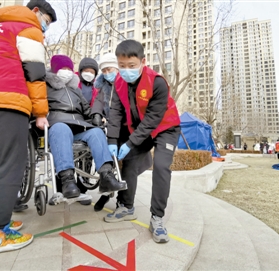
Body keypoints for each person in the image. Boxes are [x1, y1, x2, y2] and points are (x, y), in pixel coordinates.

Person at [0, 0, 56, 256]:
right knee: (13, 166)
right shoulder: (28, 28)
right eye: (47, 21)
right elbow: (35, 74)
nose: (45, 28)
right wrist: (40, 112)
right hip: (8, 98)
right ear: (36, 12)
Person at [105, 40, 181, 244]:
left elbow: (152, 120)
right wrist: (112, 139)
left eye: (132, 66)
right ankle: (127, 207)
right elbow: (116, 112)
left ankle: (157, 218)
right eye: (122, 66)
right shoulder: (118, 83)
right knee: (129, 161)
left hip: (165, 128)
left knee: (162, 167)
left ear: (143, 61)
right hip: (140, 130)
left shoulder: (157, 82)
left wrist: (130, 142)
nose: (126, 70)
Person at [45, 54, 127, 200]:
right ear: (54, 70)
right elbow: (38, 106)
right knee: (61, 128)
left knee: (96, 131)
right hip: (57, 123)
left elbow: (87, 110)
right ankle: (68, 180)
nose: (66, 71)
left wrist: (96, 117)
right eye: (63, 68)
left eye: (69, 69)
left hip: (79, 125)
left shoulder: (75, 90)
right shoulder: (45, 87)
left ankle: (106, 175)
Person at [91, 53, 152, 212]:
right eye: (103, 71)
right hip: (112, 131)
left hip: (131, 131)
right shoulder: (103, 88)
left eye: (109, 69)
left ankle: (123, 201)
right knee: (110, 165)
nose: (106, 74)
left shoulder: (129, 83)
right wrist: (97, 115)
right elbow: (98, 103)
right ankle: (108, 192)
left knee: (129, 168)